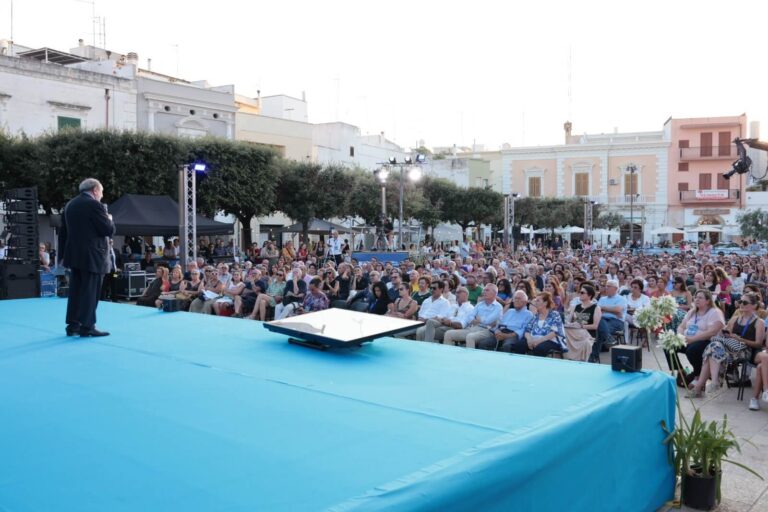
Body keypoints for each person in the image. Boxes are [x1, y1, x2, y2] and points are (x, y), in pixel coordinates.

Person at [58, 178, 115, 337]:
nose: (101, 196)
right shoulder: (95, 205)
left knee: (76, 291)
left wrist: (62, 256)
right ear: (95, 190)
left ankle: (73, 325)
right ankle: (88, 326)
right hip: (93, 256)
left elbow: (63, 233)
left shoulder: (70, 205)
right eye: (101, 192)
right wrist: (109, 219)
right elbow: (107, 230)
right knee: (90, 292)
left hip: (74, 256)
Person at [690, 292, 764, 398]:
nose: (741, 304)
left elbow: (758, 344)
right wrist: (723, 332)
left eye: (744, 302)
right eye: (740, 301)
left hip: (744, 351)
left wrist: (741, 339)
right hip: (728, 349)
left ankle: (702, 386)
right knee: (714, 347)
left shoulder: (758, 322)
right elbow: (724, 334)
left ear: (753, 305)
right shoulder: (735, 319)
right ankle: (713, 382)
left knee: (712, 350)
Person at [672, 290, 725, 389]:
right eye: (695, 297)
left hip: (707, 341)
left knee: (692, 350)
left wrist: (693, 339)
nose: (696, 299)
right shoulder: (692, 311)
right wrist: (679, 336)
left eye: (700, 297)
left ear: (708, 301)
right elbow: (681, 326)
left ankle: (697, 376)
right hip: (688, 339)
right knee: (669, 347)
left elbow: (712, 332)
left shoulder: (715, 312)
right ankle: (680, 371)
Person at [521, 292, 568, 357]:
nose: (535, 303)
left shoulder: (554, 315)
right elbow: (527, 330)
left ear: (545, 303)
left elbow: (554, 332)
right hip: (534, 339)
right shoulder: (535, 316)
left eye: (538, 300)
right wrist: (529, 340)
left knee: (539, 348)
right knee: (519, 345)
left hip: (550, 341)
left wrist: (538, 341)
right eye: (535, 300)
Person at [590, 279, 626, 363]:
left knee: (598, 329)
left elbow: (618, 309)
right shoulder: (603, 299)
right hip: (602, 320)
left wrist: (603, 308)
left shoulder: (621, 299)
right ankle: (609, 338)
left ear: (616, 288)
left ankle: (594, 357)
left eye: (609, 286)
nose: (606, 288)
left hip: (616, 321)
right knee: (599, 328)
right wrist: (612, 310)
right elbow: (597, 310)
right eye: (606, 286)